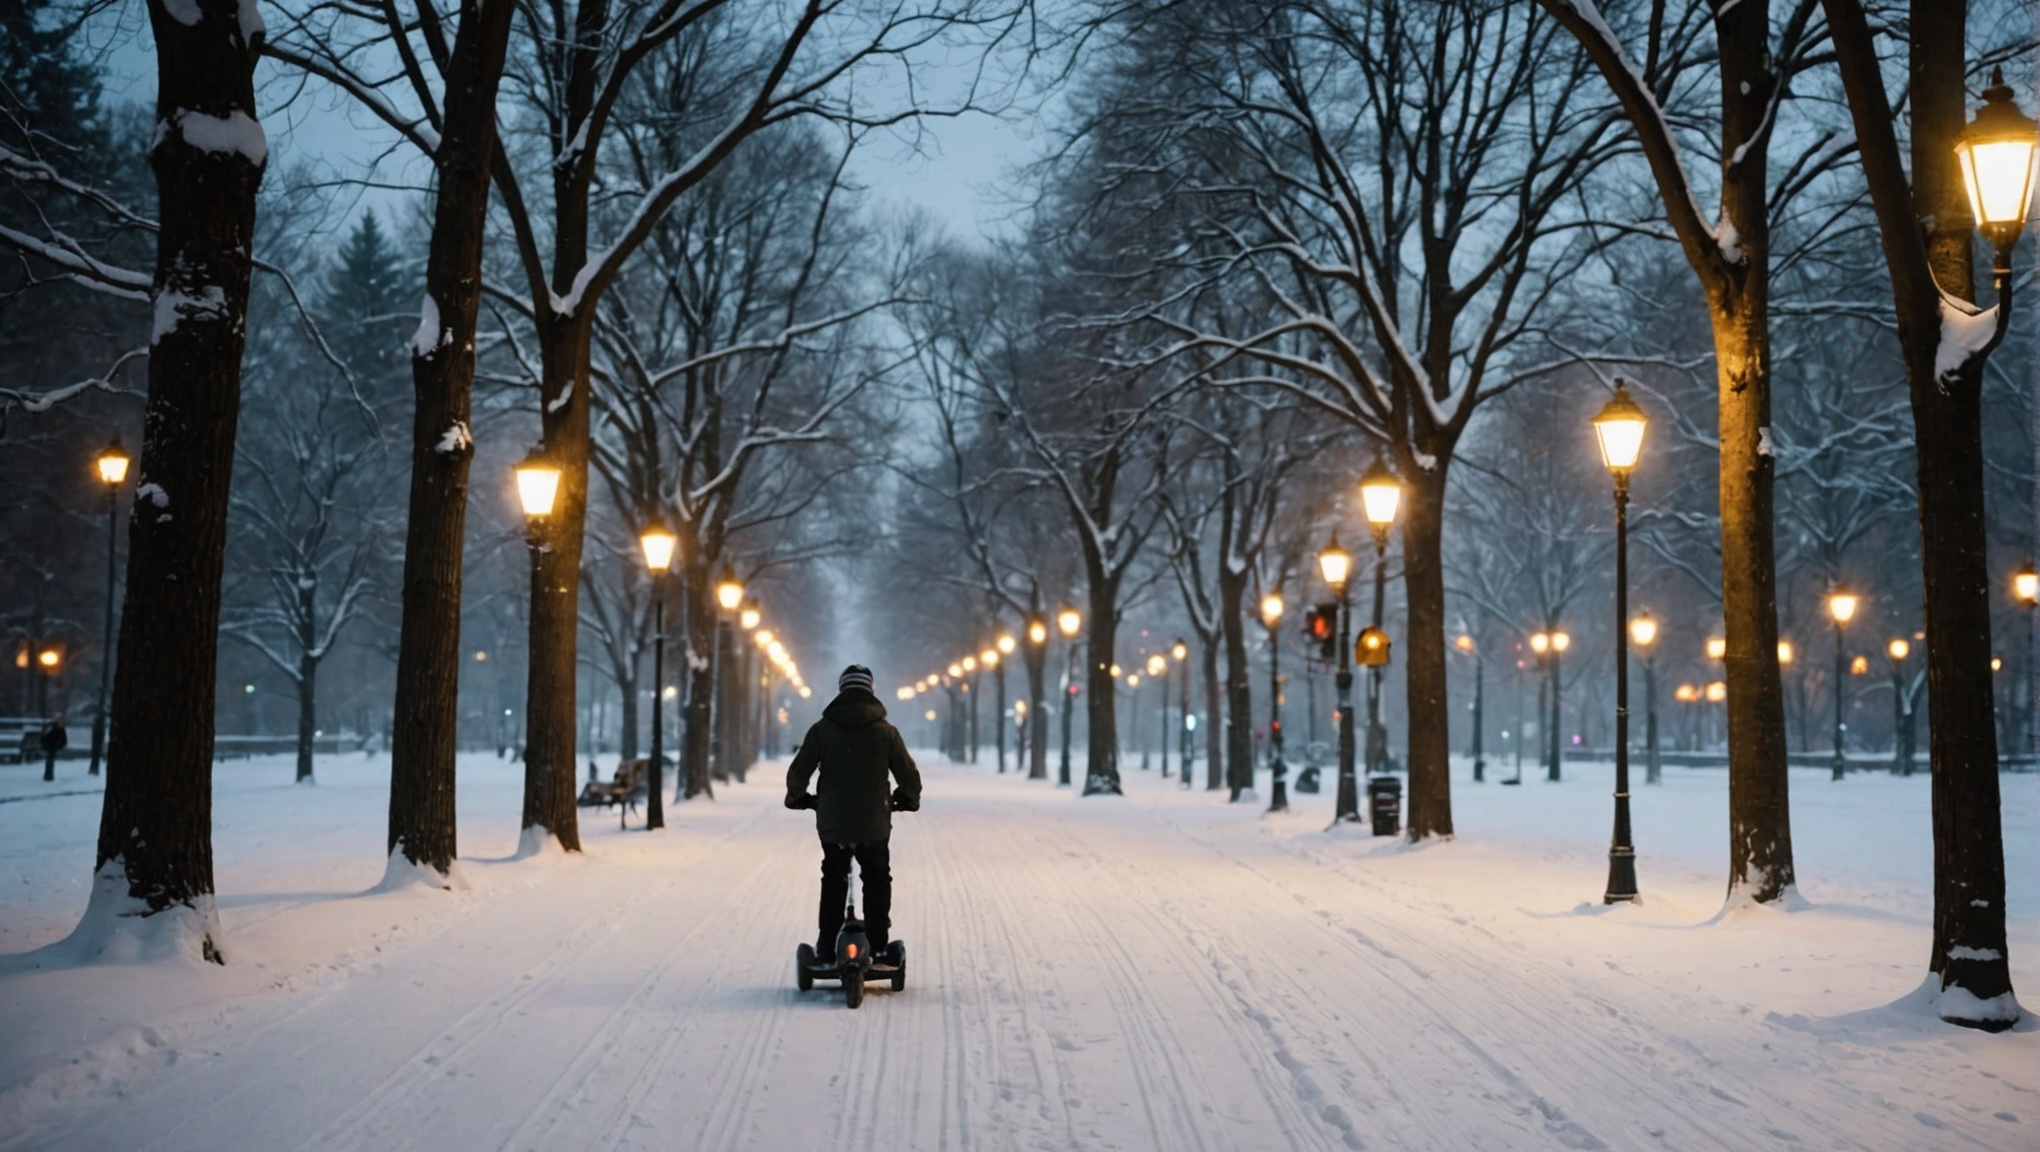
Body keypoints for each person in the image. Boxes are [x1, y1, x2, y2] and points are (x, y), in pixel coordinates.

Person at [786, 664, 921, 961]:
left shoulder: (821, 730)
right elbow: (909, 777)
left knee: (834, 877)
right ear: (871, 691)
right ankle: (879, 943)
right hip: (874, 824)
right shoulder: (886, 732)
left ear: (841, 691)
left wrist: (797, 797)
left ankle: (825, 946)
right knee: (876, 878)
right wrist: (907, 798)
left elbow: (799, 772)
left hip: (833, 824)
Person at [40, 715, 67, 783]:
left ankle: (48, 776)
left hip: (51, 745)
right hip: (50, 745)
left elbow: (63, 740)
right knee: (50, 759)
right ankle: (48, 776)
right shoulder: (54, 727)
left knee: (50, 759)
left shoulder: (56, 728)